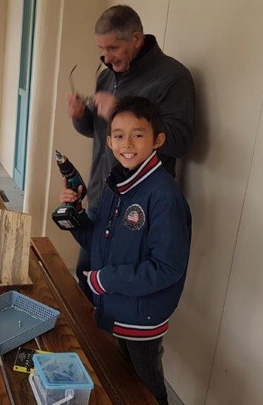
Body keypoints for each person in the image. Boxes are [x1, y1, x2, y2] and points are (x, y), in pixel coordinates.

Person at [60, 97, 191, 405]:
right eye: (118, 135)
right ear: (108, 140)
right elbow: (98, 239)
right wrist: (74, 215)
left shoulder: (163, 197)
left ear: (158, 140)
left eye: (138, 134)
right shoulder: (118, 183)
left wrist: (104, 281)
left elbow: (167, 267)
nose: (127, 144)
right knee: (122, 377)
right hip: (117, 305)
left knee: (146, 387)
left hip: (142, 315)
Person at [67, 5, 195, 298]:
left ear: (136, 39)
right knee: (87, 280)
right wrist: (79, 116)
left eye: (113, 47)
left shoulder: (172, 78)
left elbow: (181, 140)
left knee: (119, 292)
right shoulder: (107, 74)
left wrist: (118, 112)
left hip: (137, 209)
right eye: (102, 49)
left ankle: (128, 346)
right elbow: (100, 133)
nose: (107, 57)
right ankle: (92, 344)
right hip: (102, 195)